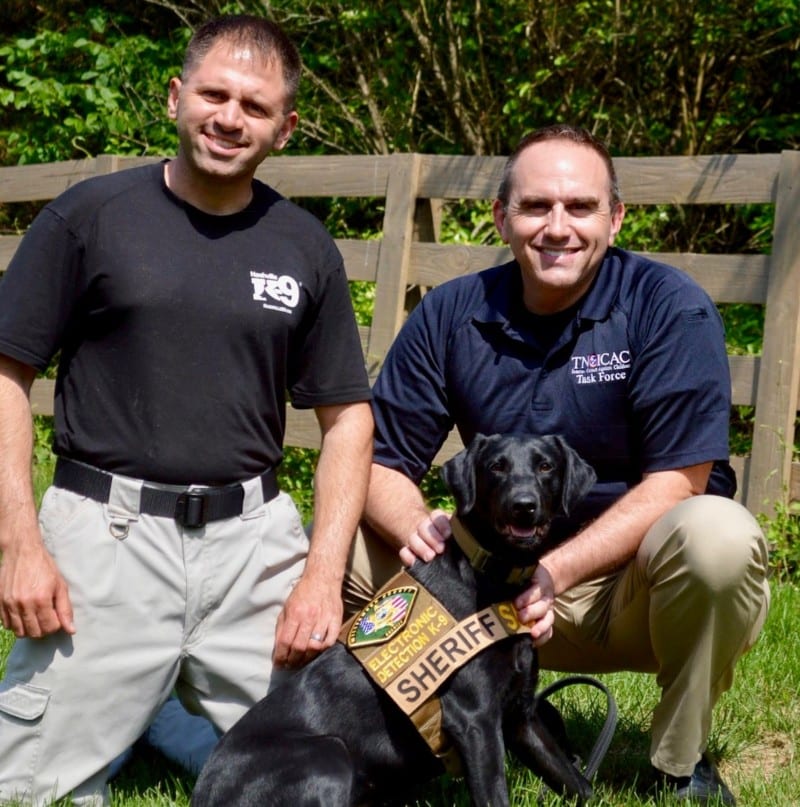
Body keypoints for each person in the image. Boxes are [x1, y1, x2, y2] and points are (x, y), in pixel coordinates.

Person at [0, 14, 373, 806]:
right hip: (108, 539)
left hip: (252, 547)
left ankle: (163, 714)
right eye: (214, 94)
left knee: (340, 773)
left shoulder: (304, 247)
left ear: (286, 128)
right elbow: (5, 377)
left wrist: (320, 577)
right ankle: (131, 701)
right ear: (176, 96)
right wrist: (20, 544)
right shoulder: (87, 218)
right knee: (32, 790)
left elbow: (348, 420)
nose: (230, 118)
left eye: (256, 106)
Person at [344, 125, 770, 805]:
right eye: (537, 206)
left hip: (627, 591)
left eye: (581, 207)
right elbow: (374, 458)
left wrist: (555, 572)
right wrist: (415, 525)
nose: (558, 227)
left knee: (718, 534)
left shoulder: (667, 307)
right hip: (485, 586)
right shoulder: (452, 312)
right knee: (344, 542)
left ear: (616, 217)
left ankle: (677, 764)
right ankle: (419, 738)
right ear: (502, 218)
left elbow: (680, 482)